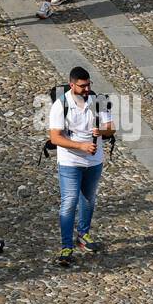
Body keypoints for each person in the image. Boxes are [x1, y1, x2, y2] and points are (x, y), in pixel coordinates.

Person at [47, 66, 115, 268]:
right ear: (72, 85)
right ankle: (66, 246)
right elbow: (55, 137)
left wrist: (101, 131)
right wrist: (81, 146)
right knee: (69, 202)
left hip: (94, 162)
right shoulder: (61, 105)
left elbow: (111, 130)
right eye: (82, 86)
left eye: (88, 85)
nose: (86, 89)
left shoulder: (99, 101)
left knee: (88, 199)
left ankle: (83, 234)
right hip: (70, 162)